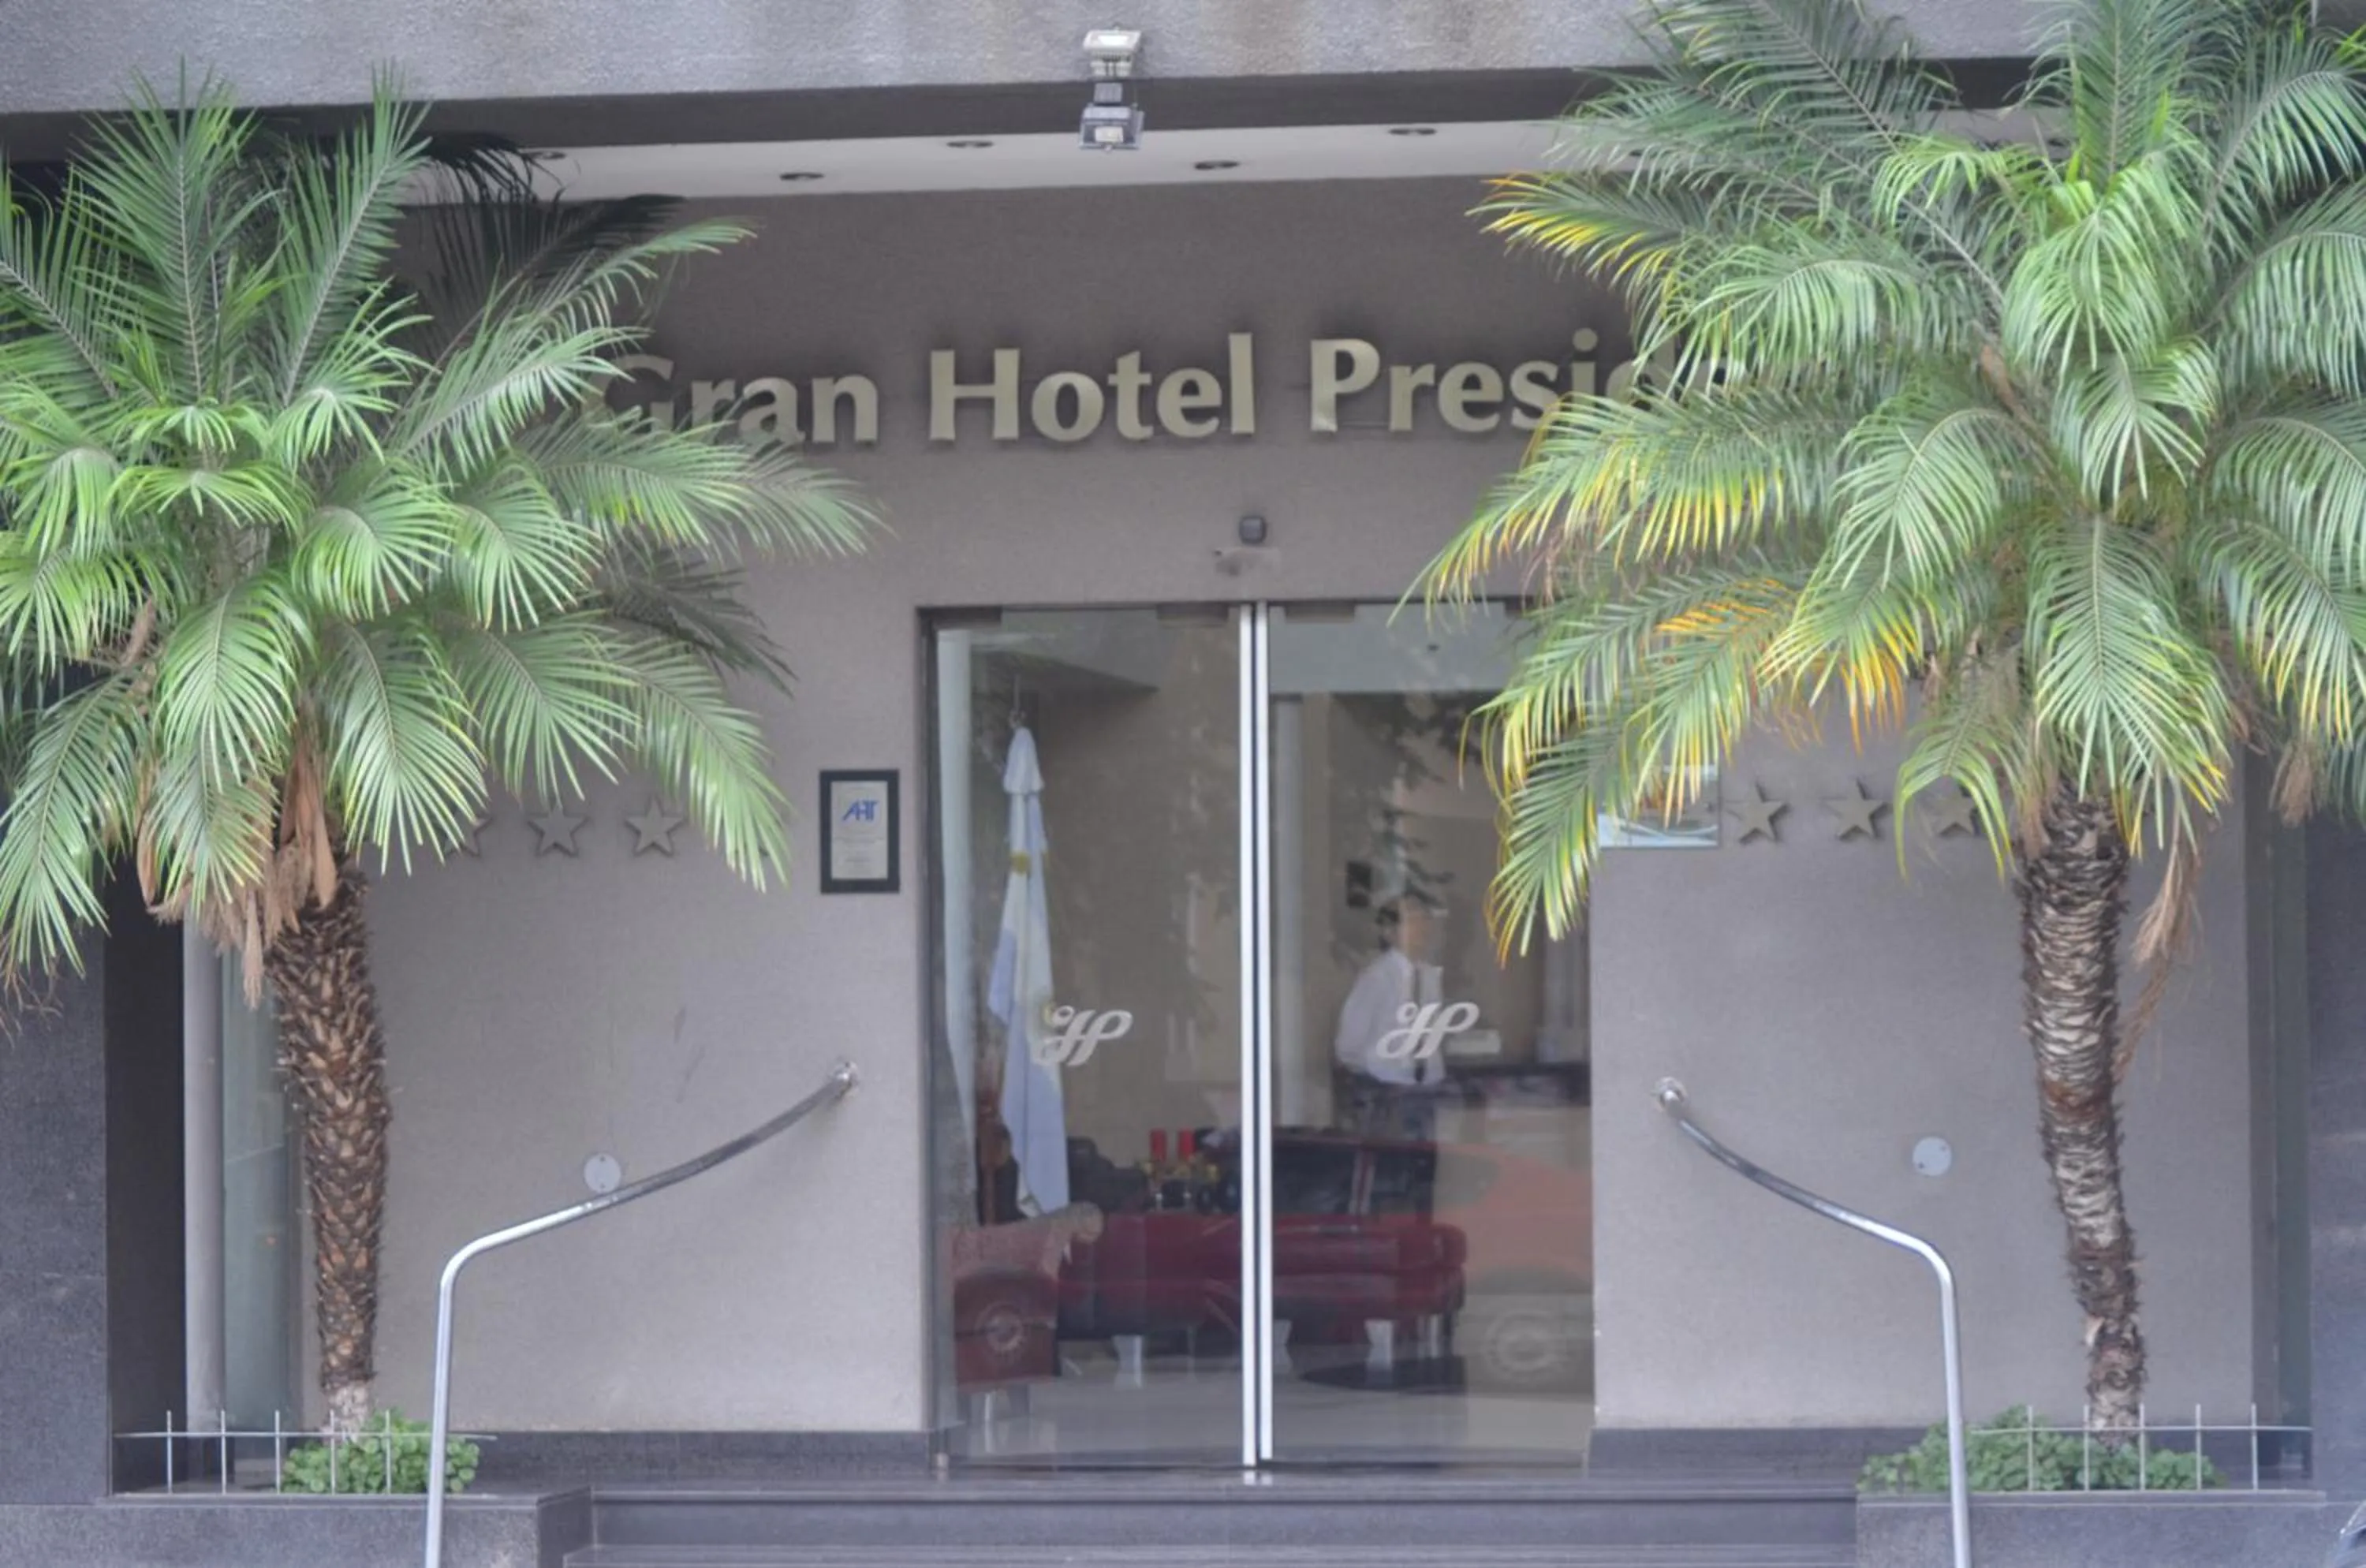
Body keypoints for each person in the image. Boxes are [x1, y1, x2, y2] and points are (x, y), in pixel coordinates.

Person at [1332, 893, 1448, 1141]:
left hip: (1427, 1089)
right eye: (1412, 920)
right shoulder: (1377, 978)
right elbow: (1348, 1045)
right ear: (1390, 932)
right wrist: (1377, 1078)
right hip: (1388, 1093)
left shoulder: (1429, 976)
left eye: (1424, 919)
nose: (1421, 928)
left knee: (1425, 1167)